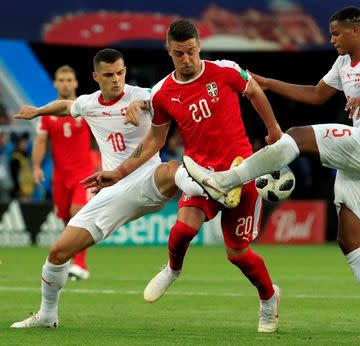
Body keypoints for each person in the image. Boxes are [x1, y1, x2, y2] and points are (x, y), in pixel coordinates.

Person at [183, 6, 360, 338]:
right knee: (350, 239)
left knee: (299, 135)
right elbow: (317, 95)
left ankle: (225, 179)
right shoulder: (344, 63)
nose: (331, 39)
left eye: (336, 33)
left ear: (356, 31)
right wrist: (269, 84)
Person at [84, 20, 284, 333]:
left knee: (238, 254)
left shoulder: (225, 70)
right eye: (179, 54)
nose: (186, 59)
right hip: (200, 175)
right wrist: (118, 172)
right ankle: (173, 269)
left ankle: (269, 299)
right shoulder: (164, 92)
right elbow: (154, 141)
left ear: (199, 46)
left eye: (191, 51)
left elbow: (255, 91)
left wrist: (274, 131)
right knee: (181, 231)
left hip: (241, 170)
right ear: (169, 51)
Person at [11, 48, 204, 329]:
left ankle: (208, 188)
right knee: (58, 252)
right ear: (96, 76)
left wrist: (141, 106)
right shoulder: (89, 104)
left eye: (120, 73)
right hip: (113, 192)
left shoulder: (142, 94)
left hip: (147, 179)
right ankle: (47, 315)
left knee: (172, 169)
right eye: (109, 75)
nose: (116, 80)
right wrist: (38, 111)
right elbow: (66, 107)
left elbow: (158, 101)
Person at [33, 65, 94, 280]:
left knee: (78, 214)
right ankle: (69, 260)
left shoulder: (85, 107)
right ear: (55, 83)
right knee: (65, 220)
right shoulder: (47, 113)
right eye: (62, 80)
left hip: (83, 174)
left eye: (69, 79)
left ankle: (80, 265)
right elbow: (40, 140)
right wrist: (37, 167)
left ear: (76, 83)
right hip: (59, 177)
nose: (66, 83)